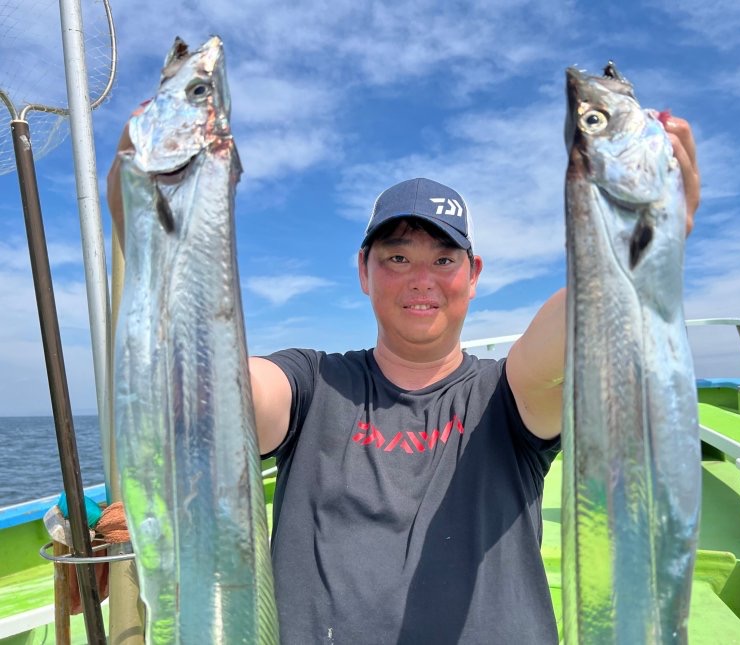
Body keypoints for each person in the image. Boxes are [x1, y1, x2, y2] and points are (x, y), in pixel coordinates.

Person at [108, 114, 699, 644]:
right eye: (397, 257)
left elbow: (575, 325)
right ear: (364, 271)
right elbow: (213, 394)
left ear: (473, 275)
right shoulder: (312, 383)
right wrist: (154, 241)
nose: (422, 279)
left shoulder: (506, 395)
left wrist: (641, 238)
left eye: (444, 259)